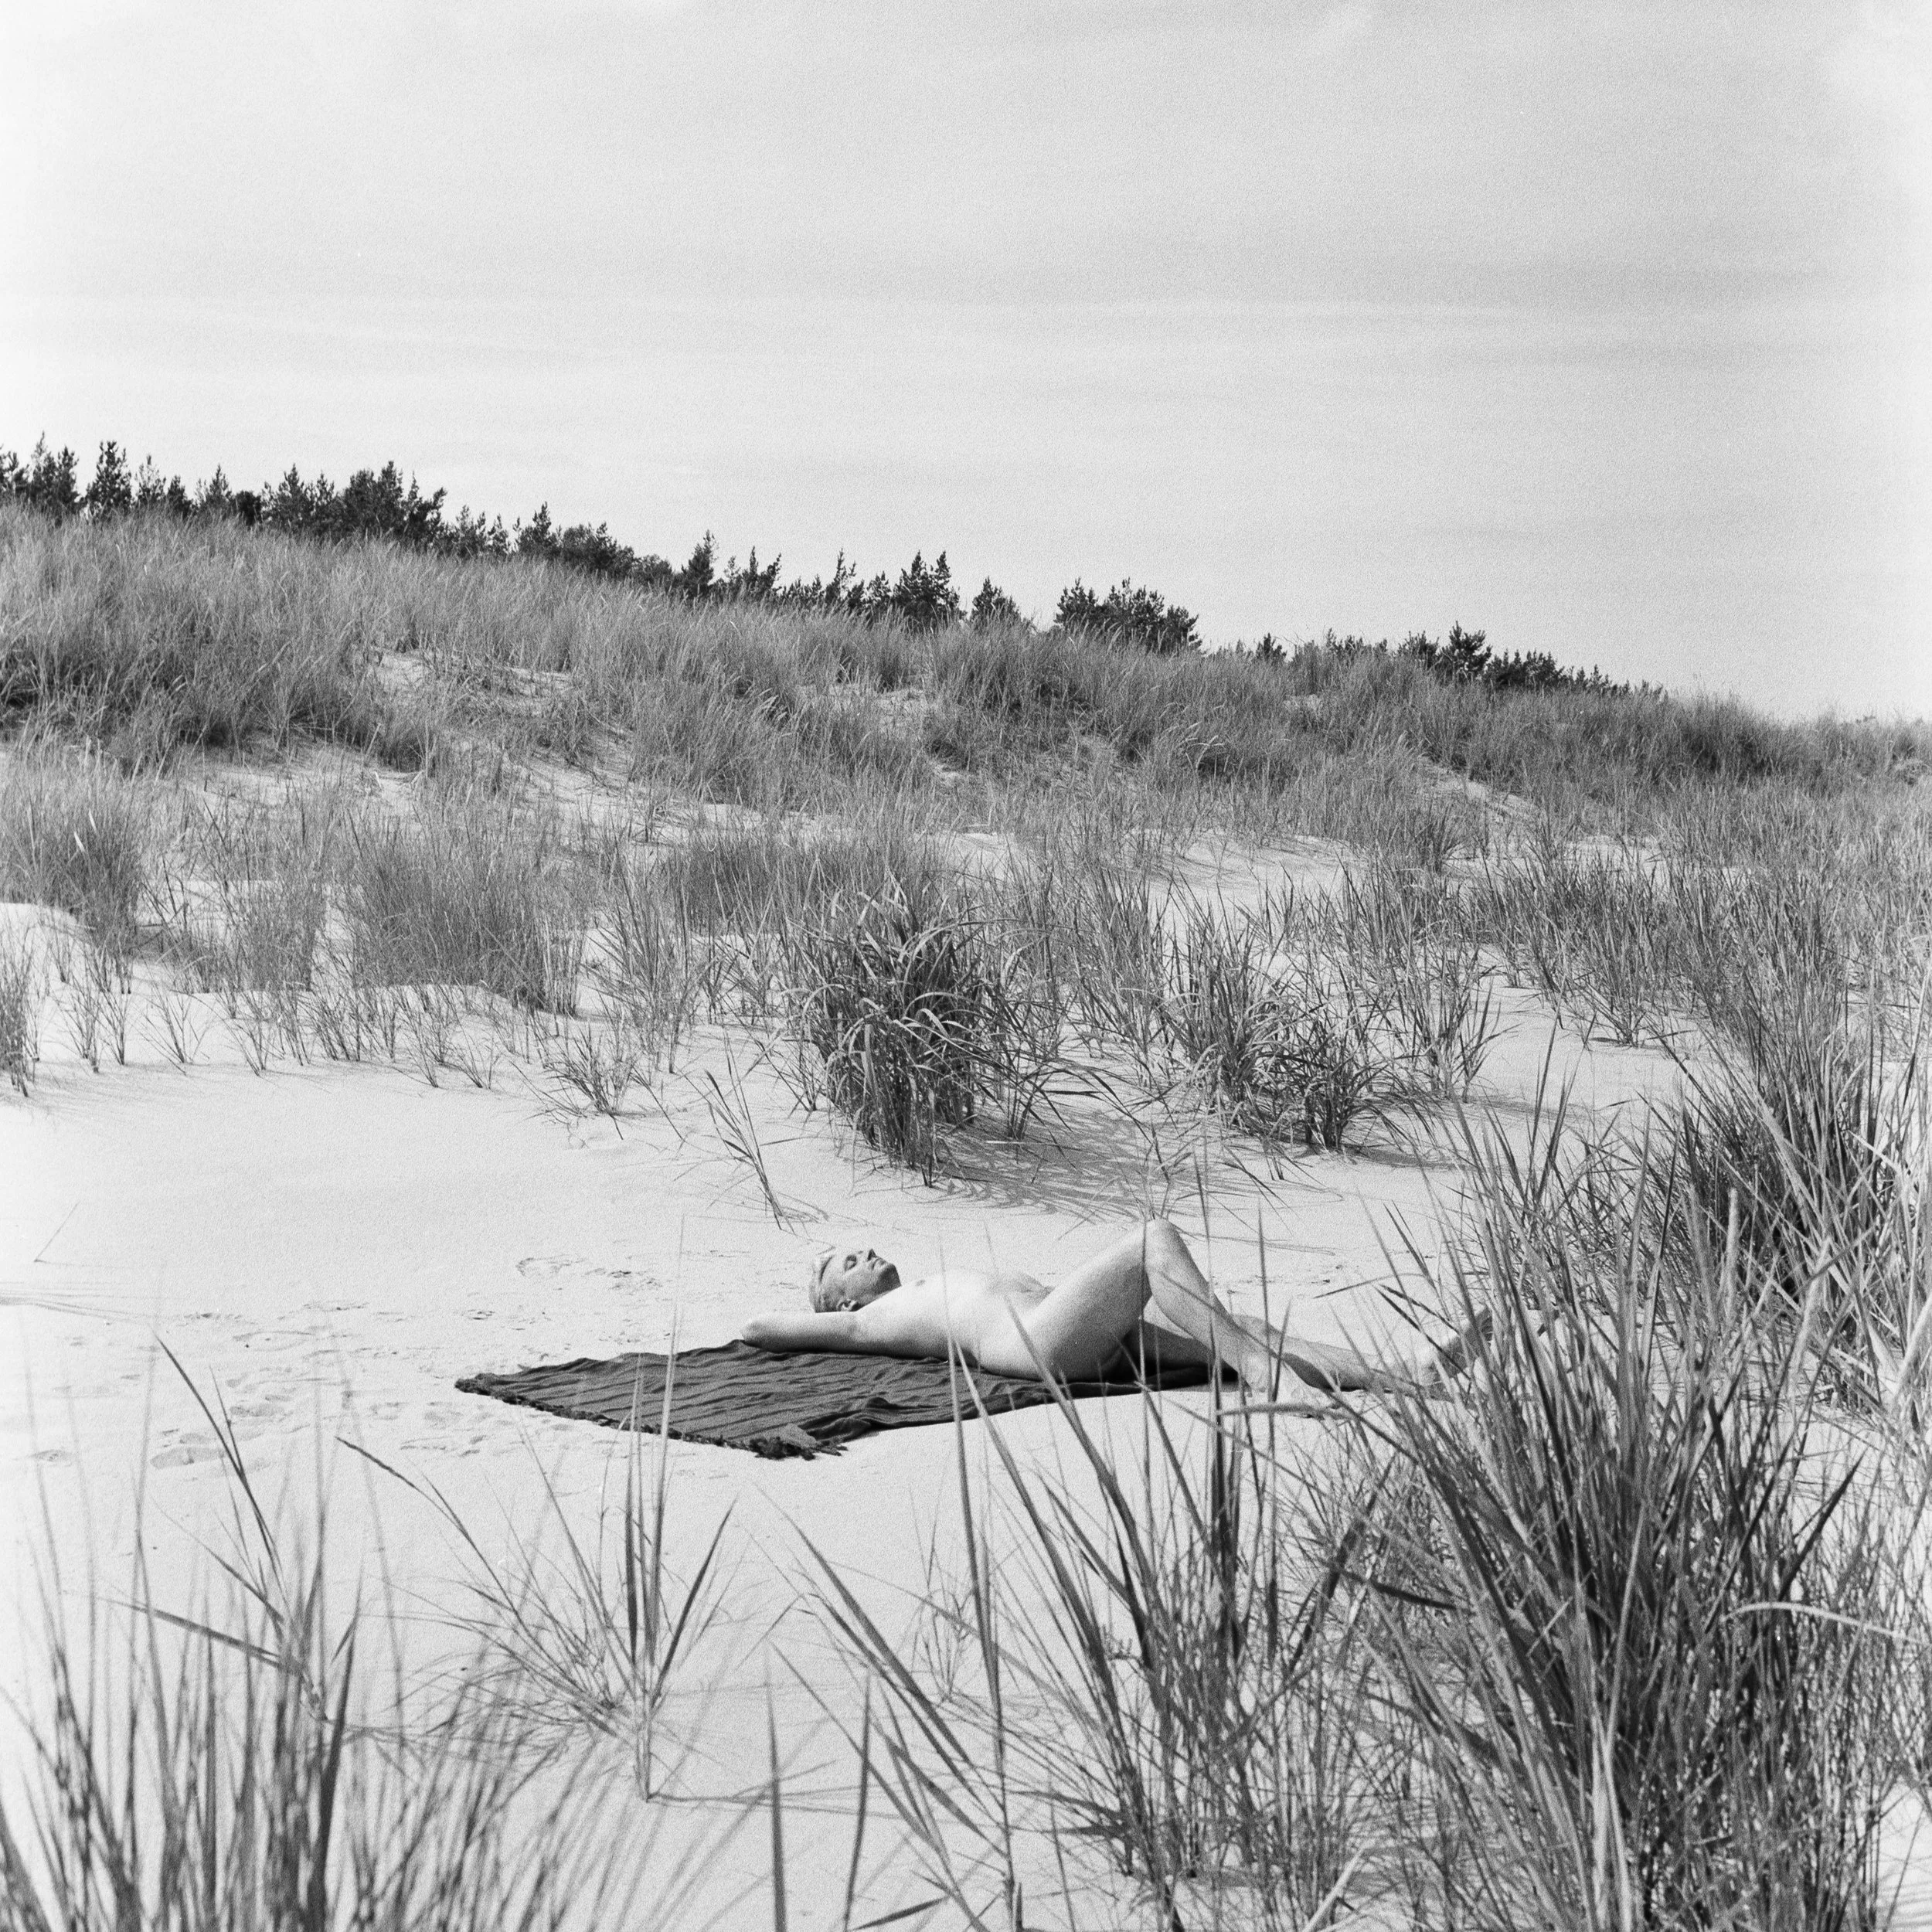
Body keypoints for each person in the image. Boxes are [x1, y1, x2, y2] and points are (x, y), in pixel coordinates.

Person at [740, 1218, 1485, 1395]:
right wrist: (815, 1312)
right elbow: (760, 1328)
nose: (866, 1256)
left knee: (1238, 1327)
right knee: (1152, 1238)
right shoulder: (867, 1321)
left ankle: (1405, 1374)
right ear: (840, 1298)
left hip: (1067, 1324)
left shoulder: (920, 1289)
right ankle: (1266, 1376)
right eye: (849, 1263)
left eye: (861, 1248)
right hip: (1038, 1344)